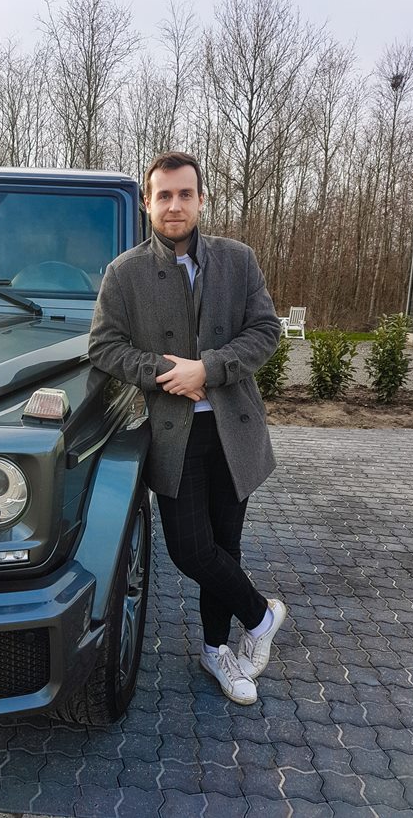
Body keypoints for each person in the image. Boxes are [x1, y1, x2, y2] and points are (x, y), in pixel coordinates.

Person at [89, 151, 287, 705]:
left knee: (226, 545)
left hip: (235, 430)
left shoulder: (238, 260)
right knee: (189, 549)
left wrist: (210, 368)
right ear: (148, 203)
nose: (174, 205)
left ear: (201, 199)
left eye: (185, 194)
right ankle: (261, 616)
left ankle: (216, 652)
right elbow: (103, 347)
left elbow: (265, 331)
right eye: (163, 196)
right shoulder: (124, 273)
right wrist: (165, 372)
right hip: (174, 438)